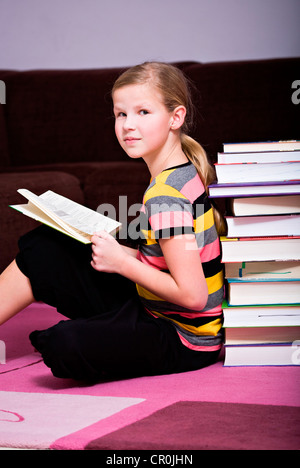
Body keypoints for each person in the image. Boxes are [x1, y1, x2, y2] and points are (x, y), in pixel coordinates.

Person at [0, 62, 225, 381]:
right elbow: (172, 264)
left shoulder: (165, 195)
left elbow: (193, 296)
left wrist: (122, 263)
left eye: (143, 112)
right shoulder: (182, 171)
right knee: (47, 247)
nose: (128, 125)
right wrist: (121, 254)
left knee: (67, 343)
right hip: (155, 308)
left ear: (176, 117)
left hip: (181, 338)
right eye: (121, 114)